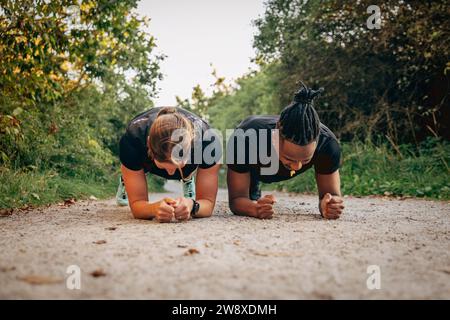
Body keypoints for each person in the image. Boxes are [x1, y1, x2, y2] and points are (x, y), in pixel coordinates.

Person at [227, 83, 344, 219]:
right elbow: (237, 200)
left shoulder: (327, 145)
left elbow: (330, 195)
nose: (297, 166)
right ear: (275, 136)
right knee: (251, 197)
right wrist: (254, 208)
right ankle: (255, 187)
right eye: (290, 158)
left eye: (306, 160)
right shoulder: (245, 138)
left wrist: (329, 205)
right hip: (254, 167)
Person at [117, 106, 220, 222]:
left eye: (176, 167)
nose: (171, 173)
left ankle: (187, 177)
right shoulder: (133, 139)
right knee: (135, 165)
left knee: (186, 169)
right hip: (145, 158)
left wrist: (192, 206)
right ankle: (126, 179)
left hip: (190, 159)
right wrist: (153, 208)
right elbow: (137, 205)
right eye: (164, 166)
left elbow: (208, 204)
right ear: (148, 145)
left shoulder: (208, 141)